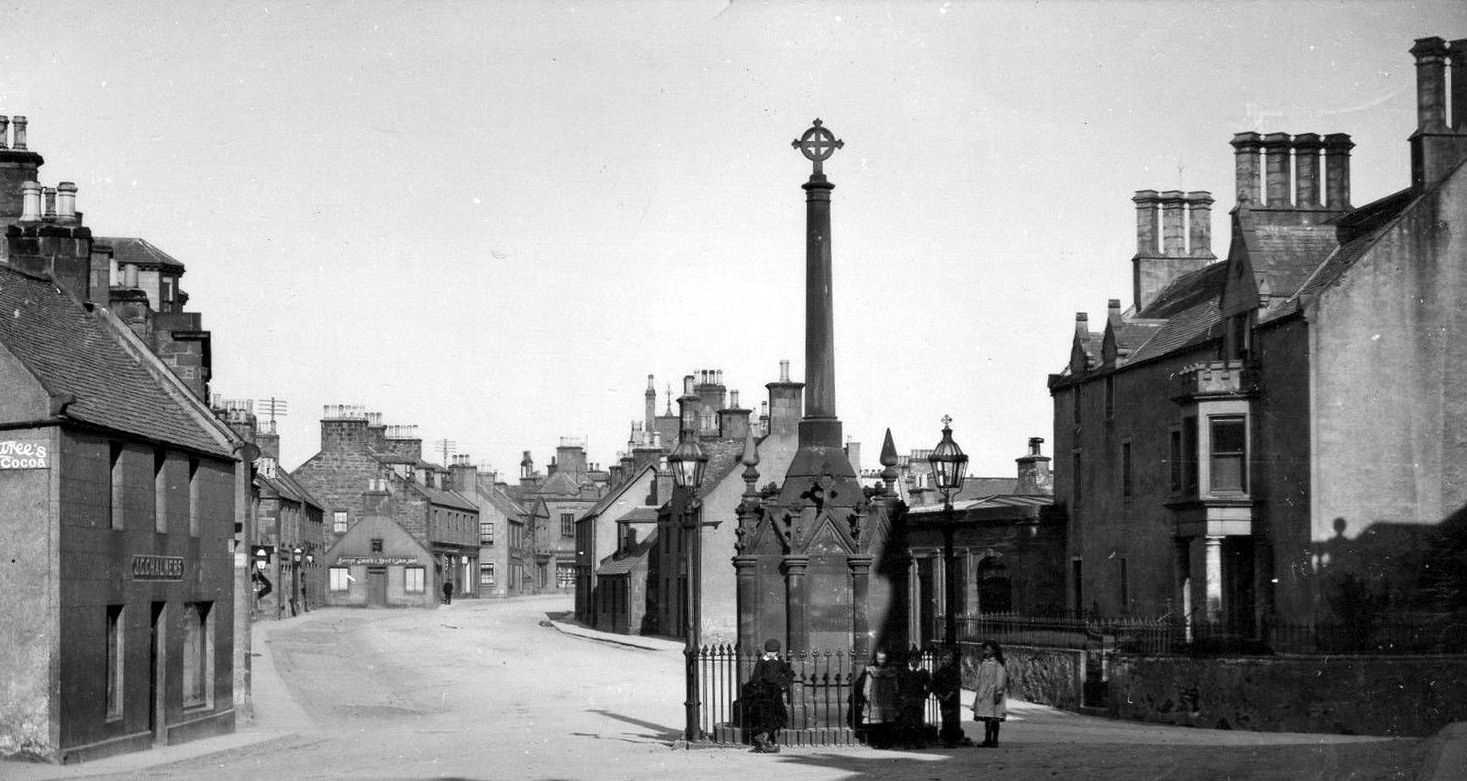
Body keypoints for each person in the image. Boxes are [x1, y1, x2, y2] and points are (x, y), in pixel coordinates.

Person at [743, 638, 795, 753]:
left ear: (777, 652)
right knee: (768, 719)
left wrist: (784, 684)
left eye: (773, 652)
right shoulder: (762, 662)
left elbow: (789, 673)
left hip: (776, 694)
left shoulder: (779, 662)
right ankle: (768, 742)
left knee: (782, 717)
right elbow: (755, 678)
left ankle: (765, 737)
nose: (770, 654)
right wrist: (764, 684)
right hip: (765, 695)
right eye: (769, 652)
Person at [860, 649, 901, 748]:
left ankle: (887, 742)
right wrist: (867, 696)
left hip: (888, 699)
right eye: (879, 658)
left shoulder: (892, 671)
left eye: (883, 658)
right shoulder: (871, 671)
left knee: (888, 723)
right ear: (876, 659)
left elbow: (896, 686)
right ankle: (878, 742)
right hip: (876, 700)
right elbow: (867, 686)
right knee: (877, 724)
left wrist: (896, 693)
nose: (881, 661)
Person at [931, 647, 971, 747]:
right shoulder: (938, 672)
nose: (947, 662)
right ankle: (946, 739)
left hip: (952, 698)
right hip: (943, 697)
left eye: (949, 659)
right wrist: (939, 695)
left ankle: (952, 740)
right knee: (945, 718)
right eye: (944, 659)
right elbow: (934, 685)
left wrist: (950, 694)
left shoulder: (954, 671)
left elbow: (957, 684)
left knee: (952, 719)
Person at [971, 640, 1008, 747]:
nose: (985, 651)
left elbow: (1000, 678)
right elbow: (980, 676)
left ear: (994, 650)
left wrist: (999, 691)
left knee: (995, 717)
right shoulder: (984, 662)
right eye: (985, 649)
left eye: (988, 649)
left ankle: (995, 740)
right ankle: (987, 739)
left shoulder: (998, 663)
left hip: (994, 692)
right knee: (987, 717)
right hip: (985, 692)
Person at [896, 649, 932, 749]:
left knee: (918, 722)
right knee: (906, 723)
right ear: (909, 660)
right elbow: (899, 685)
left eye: (916, 659)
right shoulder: (904, 672)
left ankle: (918, 742)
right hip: (907, 701)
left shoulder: (923, 672)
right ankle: (907, 743)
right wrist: (901, 697)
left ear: (919, 660)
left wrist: (925, 695)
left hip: (918, 701)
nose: (914, 661)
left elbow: (929, 685)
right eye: (912, 659)